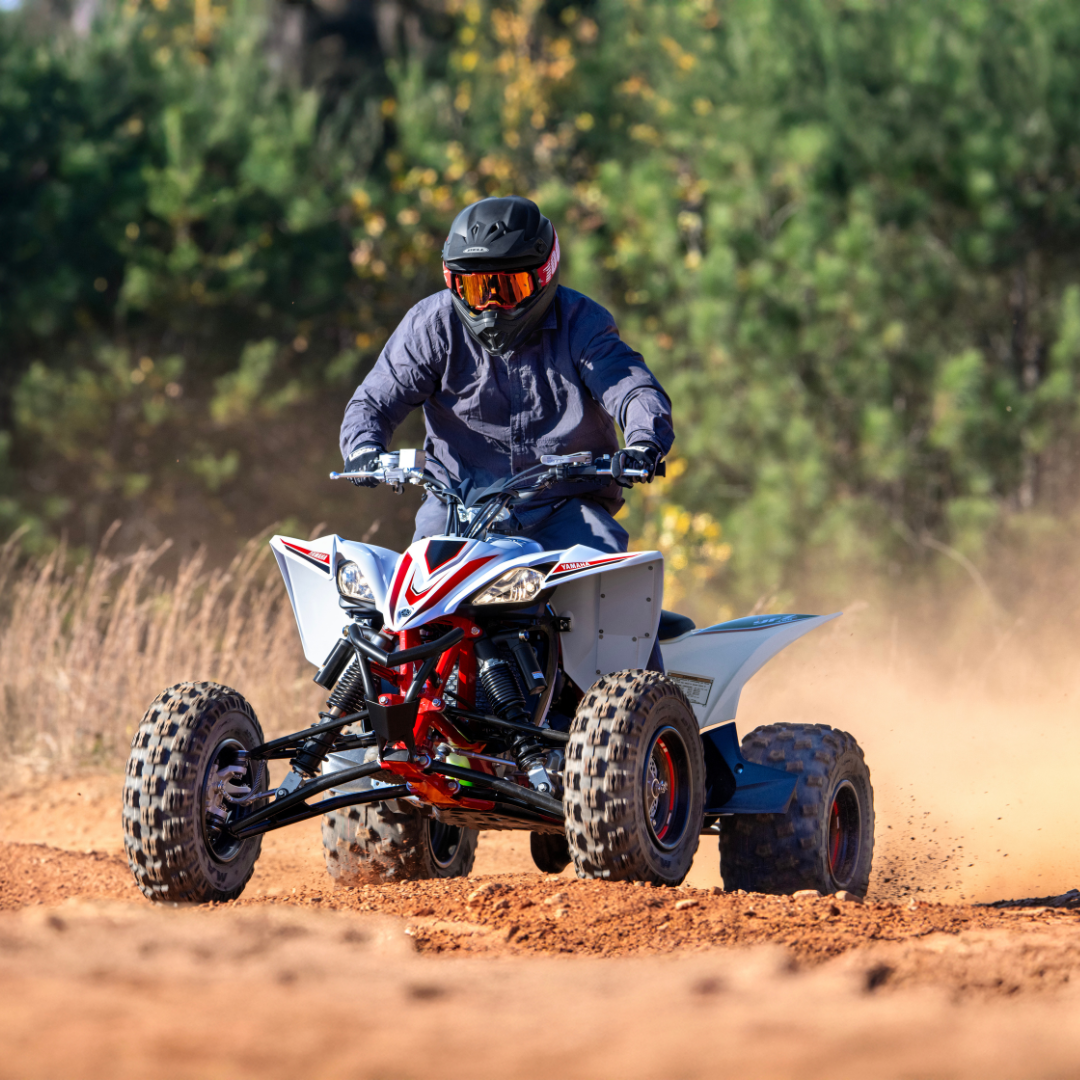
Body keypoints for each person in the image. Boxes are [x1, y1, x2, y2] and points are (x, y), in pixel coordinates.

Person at [340, 196, 674, 569]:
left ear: (544, 276)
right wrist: (362, 446)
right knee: (408, 603)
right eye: (477, 290)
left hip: (565, 508)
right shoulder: (430, 325)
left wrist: (644, 442)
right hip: (457, 506)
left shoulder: (582, 323)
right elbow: (374, 401)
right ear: (453, 283)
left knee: (607, 586)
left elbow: (630, 386)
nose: (492, 306)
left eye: (508, 288)